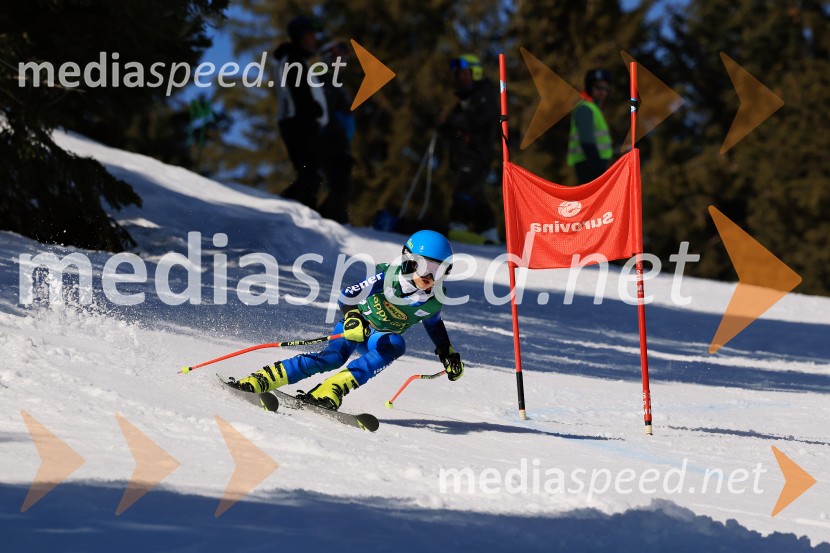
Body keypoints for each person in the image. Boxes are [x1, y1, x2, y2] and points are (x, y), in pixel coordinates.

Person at [228, 230, 466, 411]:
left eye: (438, 271)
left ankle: (331, 389)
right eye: (424, 266)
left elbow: (434, 324)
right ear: (408, 261)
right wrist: (353, 317)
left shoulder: (432, 301)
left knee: (396, 343)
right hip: (356, 327)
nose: (428, 276)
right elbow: (348, 295)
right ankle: (263, 378)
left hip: (379, 339)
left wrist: (448, 353)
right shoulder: (387, 277)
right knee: (332, 358)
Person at [438, 54, 500, 244]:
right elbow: (454, 130)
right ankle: (488, 231)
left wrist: (452, 121)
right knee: (475, 192)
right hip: (463, 155)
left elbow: (474, 121)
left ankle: (459, 224)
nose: (460, 78)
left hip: (476, 155)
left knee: (465, 188)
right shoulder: (465, 99)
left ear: (476, 73)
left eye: (464, 74)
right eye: (458, 75)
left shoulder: (484, 95)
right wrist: (444, 125)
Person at [273, 16, 327, 209]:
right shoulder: (292, 59)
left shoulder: (297, 59)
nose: (315, 40)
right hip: (297, 121)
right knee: (309, 173)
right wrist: (313, 109)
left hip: (300, 120)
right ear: (301, 36)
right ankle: (296, 212)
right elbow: (298, 92)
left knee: (311, 173)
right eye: (311, 35)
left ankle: (289, 208)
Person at [317, 40, 355, 224]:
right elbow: (322, 112)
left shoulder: (337, 85)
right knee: (337, 186)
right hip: (328, 140)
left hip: (339, 142)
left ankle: (329, 217)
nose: (343, 63)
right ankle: (330, 219)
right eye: (339, 58)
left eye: (345, 59)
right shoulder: (321, 80)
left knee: (340, 186)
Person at [567, 69, 613, 184]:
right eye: (598, 87)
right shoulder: (585, 108)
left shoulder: (594, 109)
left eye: (606, 89)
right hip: (589, 166)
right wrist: (600, 171)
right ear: (589, 87)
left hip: (594, 164)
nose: (603, 92)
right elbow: (587, 142)